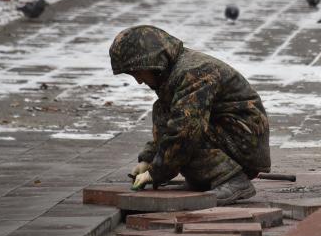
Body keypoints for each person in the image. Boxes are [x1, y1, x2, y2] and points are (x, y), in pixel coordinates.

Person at [109, 25, 271, 205]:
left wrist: (157, 171)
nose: (139, 81)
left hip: (244, 142)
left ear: (152, 62)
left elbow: (184, 131)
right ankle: (206, 177)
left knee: (185, 137)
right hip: (228, 134)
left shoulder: (194, 72)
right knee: (163, 110)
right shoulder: (172, 73)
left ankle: (232, 179)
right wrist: (148, 160)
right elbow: (170, 122)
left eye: (138, 72)